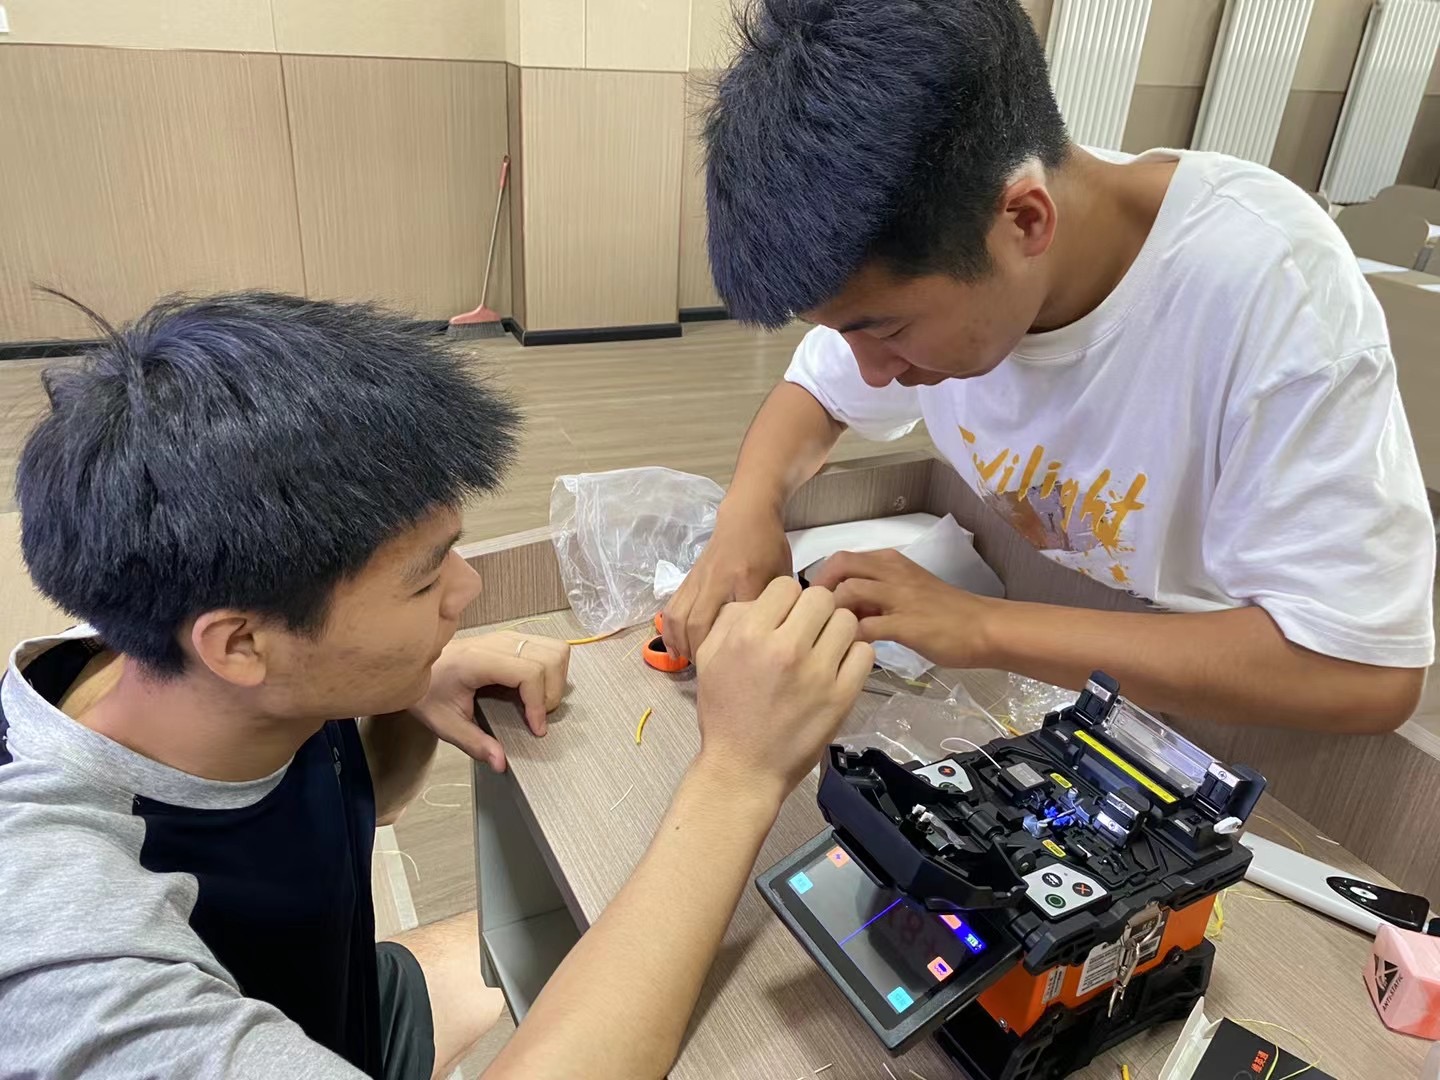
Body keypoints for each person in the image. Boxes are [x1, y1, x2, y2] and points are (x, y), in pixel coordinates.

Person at [0, 292, 872, 1080]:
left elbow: (350, 809)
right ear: (239, 646)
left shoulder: (193, 659)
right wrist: (740, 773)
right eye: (425, 582)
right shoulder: (71, 958)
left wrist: (405, 693)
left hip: (345, 1006)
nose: (468, 589)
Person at [664, 0, 1435, 734]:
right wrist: (748, 512)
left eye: (888, 330)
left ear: (1026, 220)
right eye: (845, 334)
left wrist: (983, 626)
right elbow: (816, 396)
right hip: (1061, 631)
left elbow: (1363, 674)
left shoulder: (1271, 286)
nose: (869, 372)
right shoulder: (945, 236)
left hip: (1222, 702)